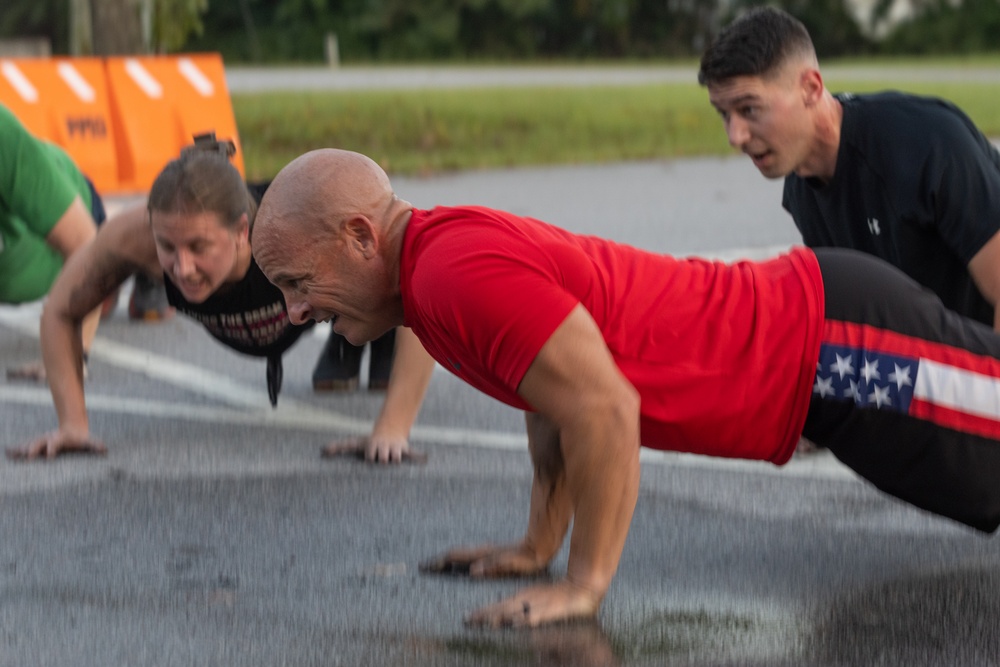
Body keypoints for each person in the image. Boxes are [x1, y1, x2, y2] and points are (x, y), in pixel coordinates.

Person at [252, 148, 1000, 629]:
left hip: (833, 344)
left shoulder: (452, 274)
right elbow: (548, 398)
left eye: (297, 281)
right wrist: (538, 542)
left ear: (359, 236)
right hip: (815, 368)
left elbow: (604, 407)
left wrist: (585, 583)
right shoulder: (428, 278)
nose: (293, 310)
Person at [6, 138, 435, 464]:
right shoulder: (131, 237)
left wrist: (393, 427)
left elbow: (415, 278)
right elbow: (61, 310)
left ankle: (363, 338)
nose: (184, 266)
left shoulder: (292, 230)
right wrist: (72, 424)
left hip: (330, 305)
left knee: (372, 284)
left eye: (199, 246)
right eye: (167, 247)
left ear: (242, 232)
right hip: (290, 314)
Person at [697, 6, 1000, 331]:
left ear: (811, 89)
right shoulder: (801, 185)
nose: (735, 135)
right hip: (927, 364)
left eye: (750, 109)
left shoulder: (928, 144)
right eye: (725, 114)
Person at [0, 102, 104, 372]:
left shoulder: (3, 136)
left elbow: (86, 244)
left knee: (132, 255)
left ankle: (147, 265)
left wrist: (71, 356)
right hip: (19, 267)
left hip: (75, 202)